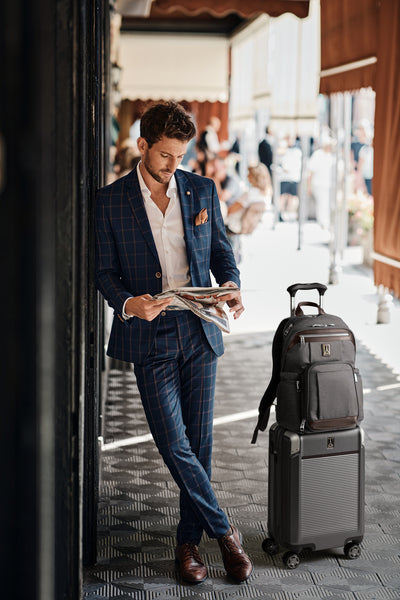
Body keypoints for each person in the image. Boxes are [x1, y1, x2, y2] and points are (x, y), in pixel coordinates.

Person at [95, 101, 252, 584]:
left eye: (179, 155)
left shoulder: (201, 189)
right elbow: (103, 272)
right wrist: (127, 304)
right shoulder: (110, 201)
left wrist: (231, 285)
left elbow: (223, 254)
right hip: (150, 334)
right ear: (142, 146)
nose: (172, 165)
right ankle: (225, 533)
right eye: (164, 155)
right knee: (172, 442)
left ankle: (188, 546)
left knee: (199, 445)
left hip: (199, 329)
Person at [307, 137, 336, 230]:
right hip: (319, 184)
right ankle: (323, 222)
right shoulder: (317, 155)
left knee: (327, 203)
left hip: (329, 184)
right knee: (322, 203)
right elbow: (310, 172)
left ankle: (326, 221)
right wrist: (309, 186)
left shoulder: (332, 156)